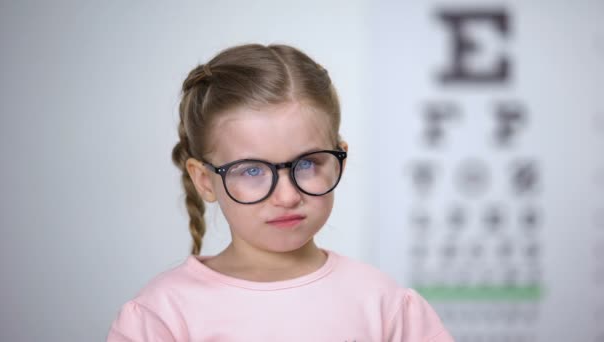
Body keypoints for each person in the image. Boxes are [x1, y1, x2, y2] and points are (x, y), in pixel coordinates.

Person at [107, 43, 454, 341]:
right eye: (253, 170)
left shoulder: (386, 305)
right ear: (205, 181)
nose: (287, 197)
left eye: (306, 164)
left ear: (339, 163)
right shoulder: (160, 316)